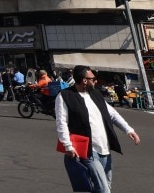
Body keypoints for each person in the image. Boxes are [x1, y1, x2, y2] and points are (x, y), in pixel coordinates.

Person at [55, 65, 140, 193]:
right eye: (93, 78)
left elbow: (112, 113)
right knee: (104, 189)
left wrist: (128, 129)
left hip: (105, 148)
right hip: (88, 150)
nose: (95, 81)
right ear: (84, 80)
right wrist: (68, 146)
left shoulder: (95, 94)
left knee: (105, 187)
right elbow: (61, 122)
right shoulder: (65, 96)